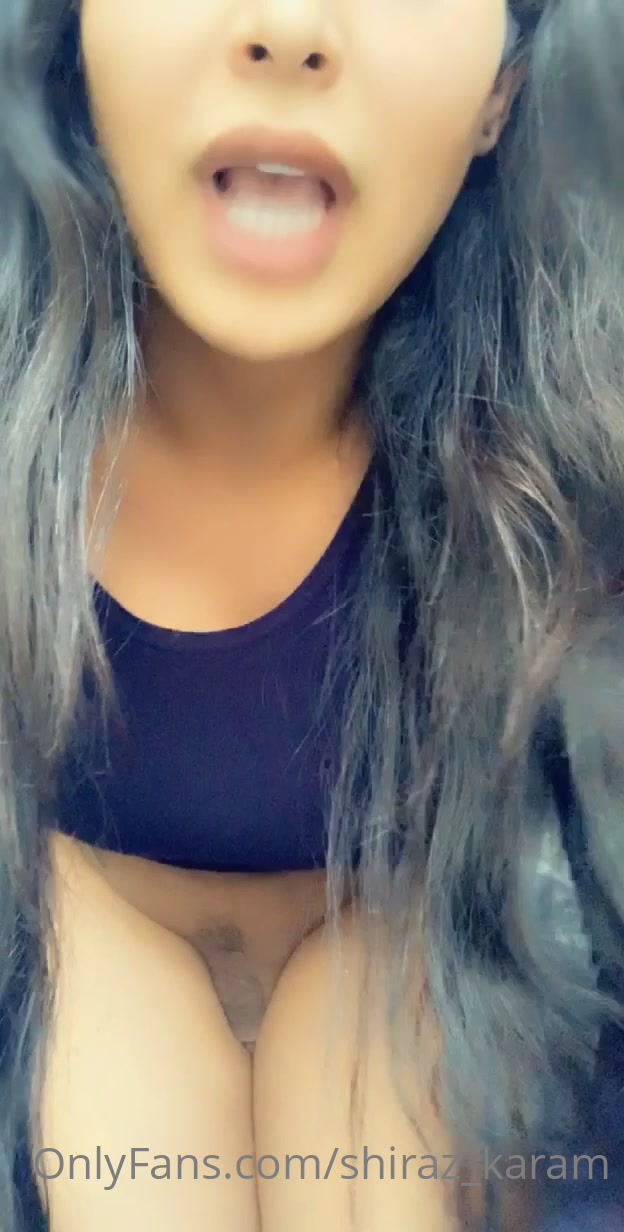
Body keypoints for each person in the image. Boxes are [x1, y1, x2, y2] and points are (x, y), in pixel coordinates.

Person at [1, 0, 623, 1228]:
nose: (289, 25)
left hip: (415, 950)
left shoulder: (570, 479)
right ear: (72, 33)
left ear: (502, 92)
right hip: (72, 927)